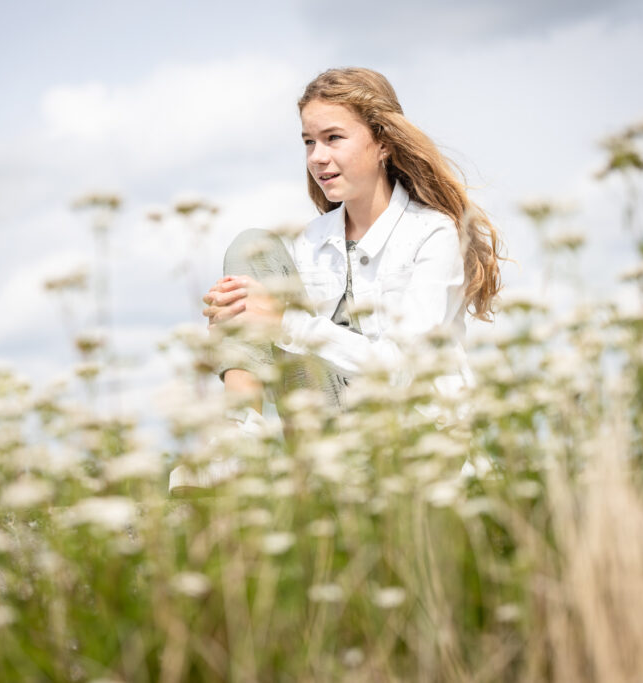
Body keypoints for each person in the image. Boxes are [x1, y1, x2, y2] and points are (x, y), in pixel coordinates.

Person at [169, 67, 503, 494]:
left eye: (333, 139)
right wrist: (238, 321)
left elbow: (405, 370)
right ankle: (234, 442)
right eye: (309, 142)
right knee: (251, 247)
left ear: (382, 143)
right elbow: (286, 352)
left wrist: (284, 323)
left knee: (272, 305)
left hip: (415, 442)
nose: (316, 157)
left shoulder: (433, 234)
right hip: (326, 438)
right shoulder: (310, 241)